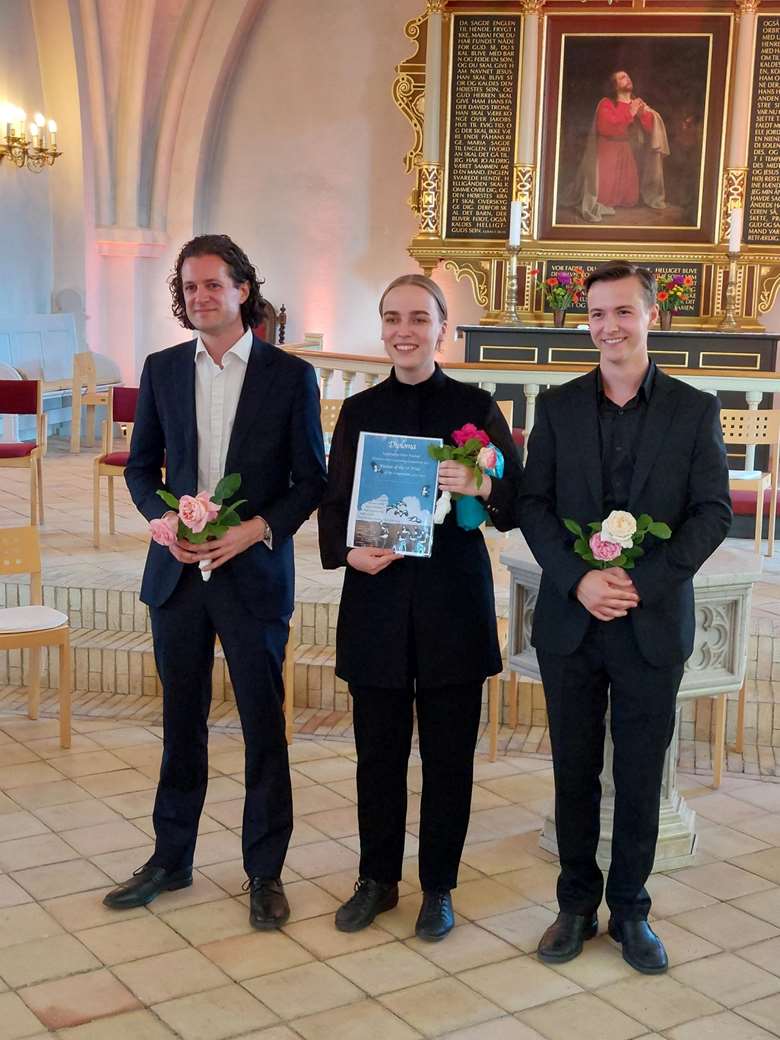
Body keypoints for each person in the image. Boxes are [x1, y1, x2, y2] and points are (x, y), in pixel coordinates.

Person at [104, 234, 326, 927]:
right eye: (190, 286)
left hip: (251, 572)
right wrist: (161, 522)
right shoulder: (163, 369)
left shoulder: (289, 377)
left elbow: (311, 479)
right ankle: (171, 858)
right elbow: (143, 469)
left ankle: (265, 872)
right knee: (180, 723)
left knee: (264, 726)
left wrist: (254, 529)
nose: (201, 297)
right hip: (176, 578)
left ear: (242, 291)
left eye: (213, 285)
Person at [518, 261, 731, 973]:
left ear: (651, 318)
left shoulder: (694, 409)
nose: (609, 326)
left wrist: (640, 582)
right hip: (572, 622)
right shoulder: (556, 406)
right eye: (598, 314)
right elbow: (534, 506)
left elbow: (713, 513)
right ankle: (576, 904)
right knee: (575, 771)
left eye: (623, 312)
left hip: (649, 621)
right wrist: (579, 579)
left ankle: (631, 910)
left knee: (639, 774)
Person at [318, 274, 523, 941]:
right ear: (382, 328)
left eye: (417, 318)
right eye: (391, 318)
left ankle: (439, 886)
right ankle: (376, 879)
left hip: (452, 606)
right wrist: (349, 554)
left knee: (448, 759)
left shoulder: (475, 405)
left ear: (442, 327)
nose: (403, 330)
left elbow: (515, 503)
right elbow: (334, 499)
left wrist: (480, 480)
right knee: (376, 756)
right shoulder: (358, 410)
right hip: (376, 600)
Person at [580, 70, 670, 223]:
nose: (627, 79)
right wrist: (631, 112)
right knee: (604, 198)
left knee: (630, 199)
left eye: (628, 76)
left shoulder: (637, 103)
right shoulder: (606, 103)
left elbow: (651, 131)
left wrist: (644, 114)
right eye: (622, 78)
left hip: (626, 152)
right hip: (607, 151)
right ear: (614, 86)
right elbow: (606, 128)